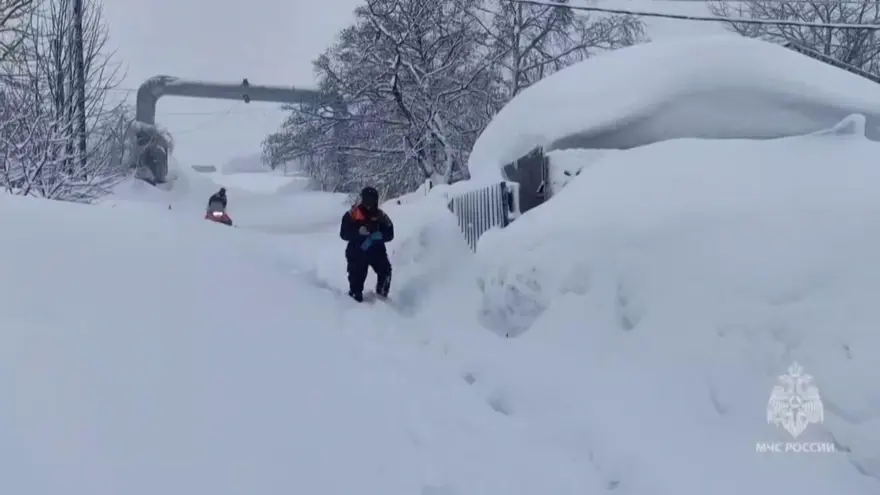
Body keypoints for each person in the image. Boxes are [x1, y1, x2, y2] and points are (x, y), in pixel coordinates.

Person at [339, 186, 394, 302]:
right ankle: (354, 301)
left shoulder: (380, 216)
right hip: (357, 252)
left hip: (376, 251)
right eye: (366, 200)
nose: (369, 204)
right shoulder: (353, 214)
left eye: (372, 200)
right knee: (356, 283)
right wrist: (358, 232)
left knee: (386, 272)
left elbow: (390, 233)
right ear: (362, 200)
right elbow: (343, 233)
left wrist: (379, 236)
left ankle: (382, 297)